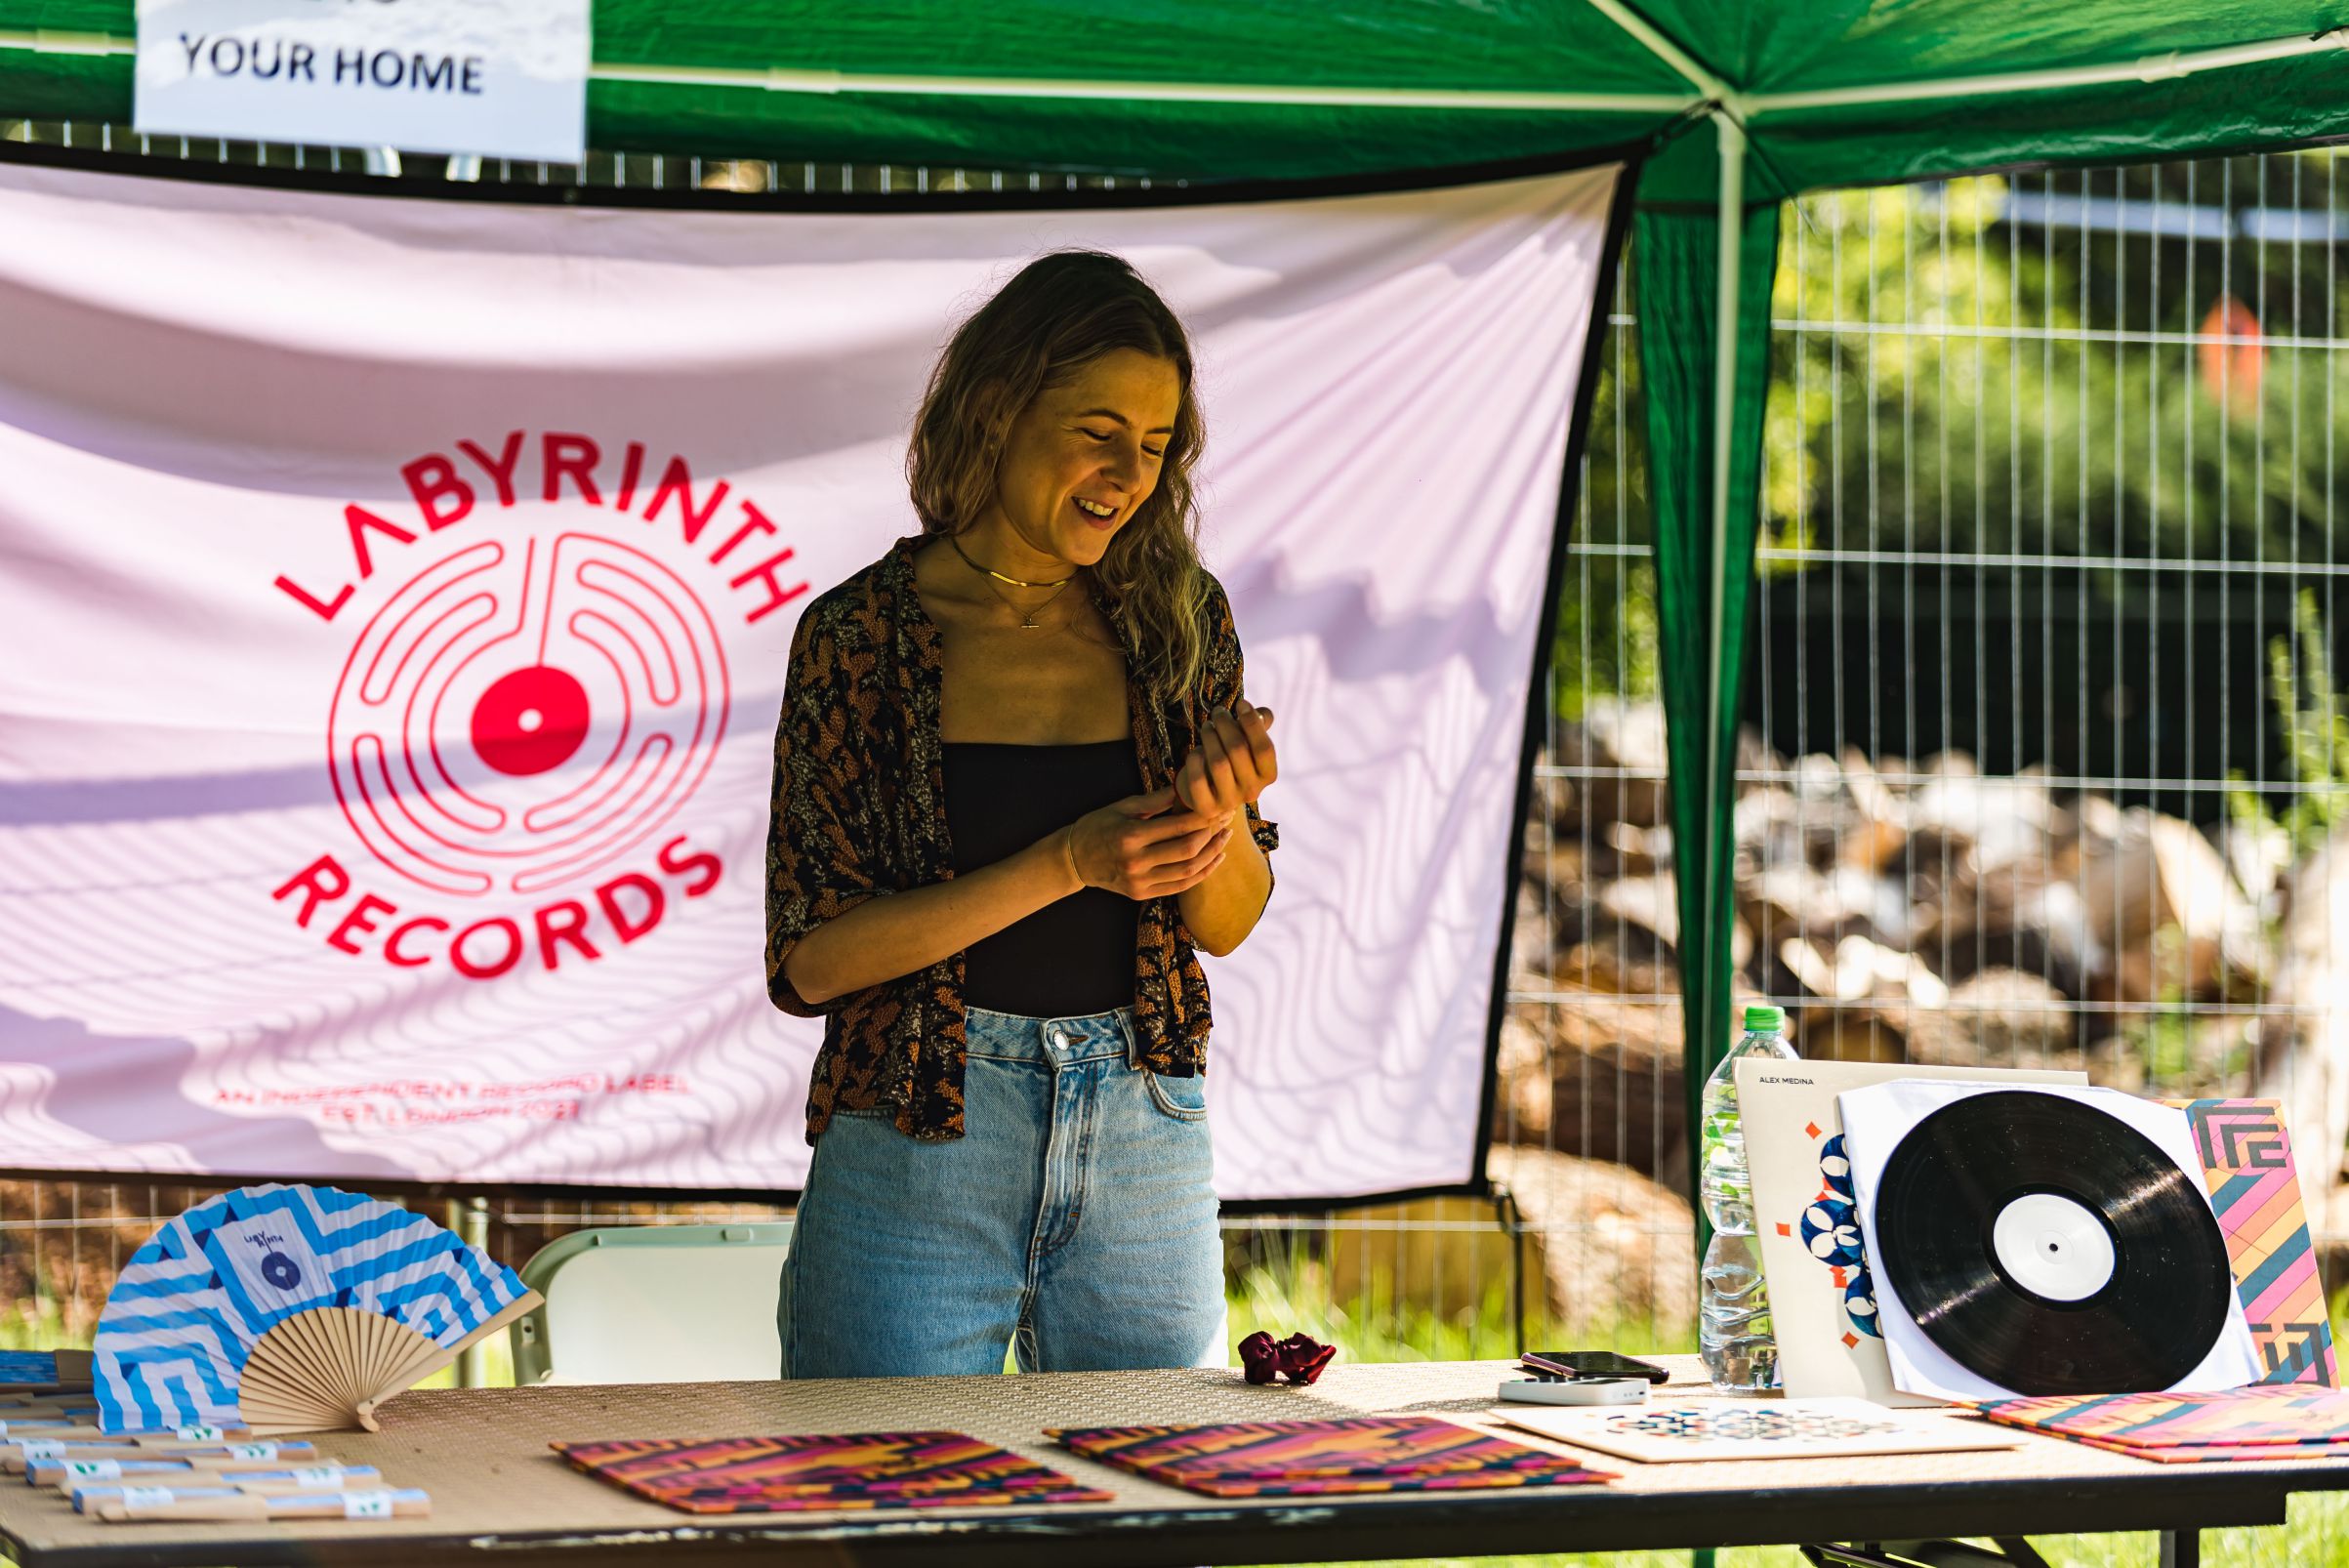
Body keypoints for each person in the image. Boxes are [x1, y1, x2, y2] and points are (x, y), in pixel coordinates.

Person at [764, 250, 1280, 1378]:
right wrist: (1069, 861)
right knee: (878, 1520)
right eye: (1099, 431)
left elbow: (1225, 923)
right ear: (997, 411)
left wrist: (1221, 816)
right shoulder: (858, 635)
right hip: (913, 1141)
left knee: (1153, 1518)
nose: (1128, 474)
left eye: (1155, 446)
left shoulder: (1179, 620)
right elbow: (811, 962)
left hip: (1145, 1130)